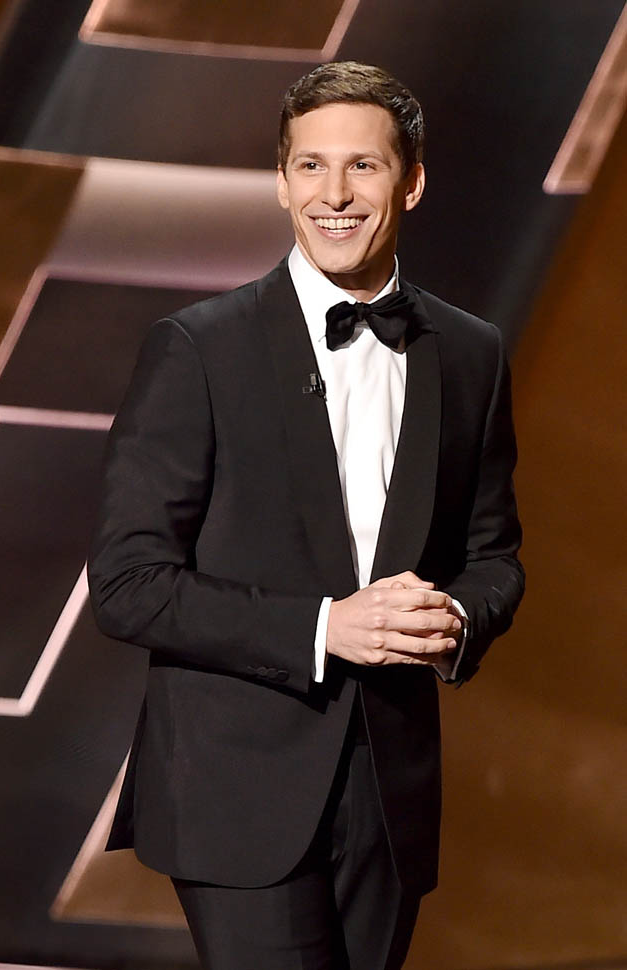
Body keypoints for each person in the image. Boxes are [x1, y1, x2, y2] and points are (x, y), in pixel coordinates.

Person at [88, 61, 524, 970]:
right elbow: (129, 585)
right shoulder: (197, 348)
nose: (335, 195)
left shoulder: (470, 352)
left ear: (411, 182)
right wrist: (327, 628)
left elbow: (493, 557)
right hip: (235, 789)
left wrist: (452, 619)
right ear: (282, 182)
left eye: (363, 166)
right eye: (311, 166)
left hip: (391, 795)